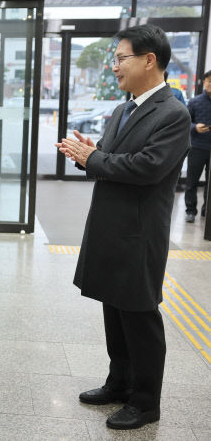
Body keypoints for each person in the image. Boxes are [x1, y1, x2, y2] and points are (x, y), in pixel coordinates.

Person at [56, 24, 190, 430]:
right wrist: (88, 154)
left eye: (120, 58)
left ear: (149, 60)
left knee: (139, 315)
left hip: (138, 231)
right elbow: (110, 158)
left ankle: (146, 401)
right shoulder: (123, 108)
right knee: (114, 307)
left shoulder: (173, 113)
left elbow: (147, 168)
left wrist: (94, 159)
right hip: (110, 225)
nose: (114, 67)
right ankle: (120, 382)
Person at [183, 70, 211, 223]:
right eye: (208, 81)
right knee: (191, 181)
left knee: (210, 183)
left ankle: (207, 210)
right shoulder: (194, 102)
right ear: (204, 82)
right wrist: (195, 127)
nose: (209, 84)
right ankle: (190, 211)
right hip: (197, 147)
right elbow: (185, 123)